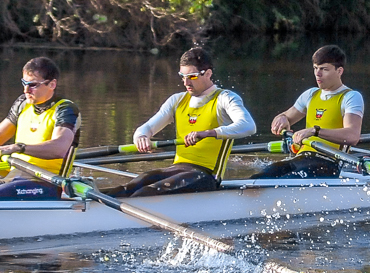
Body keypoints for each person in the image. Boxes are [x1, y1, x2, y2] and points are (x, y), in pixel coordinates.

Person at [103, 47, 256, 197]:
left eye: (192, 76)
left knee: (145, 194)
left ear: (208, 73)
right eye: (182, 76)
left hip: (205, 176)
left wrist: (209, 133)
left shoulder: (225, 98)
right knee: (124, 190)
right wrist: (141, 136)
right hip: (176, 170)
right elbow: (148, 127)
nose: (186, 82)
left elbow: (249, 126)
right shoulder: (177, 100)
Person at [0, 56, 81, 201]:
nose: (26, 90)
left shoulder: (65, 109)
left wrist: (17, 147)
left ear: (52, 84)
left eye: (33, 85)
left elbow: (59, 148)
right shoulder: (22, 104)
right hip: (16, 177)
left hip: (47, 183)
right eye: (24, 83)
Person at [252, 45, 364, 179]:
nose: (318, 74)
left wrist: (314, 131)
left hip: (327, 163)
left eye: (324, 69)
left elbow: (352, 136)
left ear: (339, 71)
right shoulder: (310, 95)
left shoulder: (350, 97)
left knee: (281, 181)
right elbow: (287, 117)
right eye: (316, 68)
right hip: (301, 158)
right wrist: (281, 118)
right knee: (258, 178)